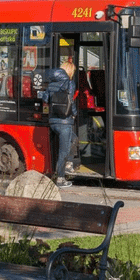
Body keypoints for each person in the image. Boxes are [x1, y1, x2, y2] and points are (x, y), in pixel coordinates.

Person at [46, 57, 77, 189]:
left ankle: (68, 164)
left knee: (74, 139)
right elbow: (71, 101)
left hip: (53, 121)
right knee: (63, 151)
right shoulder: (70, 83)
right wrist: (74, 113)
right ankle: (60, 178)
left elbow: (45, 99)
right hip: (65, 121)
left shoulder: (51, 84)